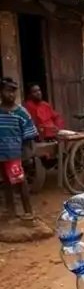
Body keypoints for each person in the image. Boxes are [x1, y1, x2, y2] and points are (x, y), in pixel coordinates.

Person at [0, 77, 37, 218]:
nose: (11, 95)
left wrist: (26, 156)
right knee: (6, 184)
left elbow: (28, 137)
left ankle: (28, 212)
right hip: (1, 154)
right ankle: (11, 211)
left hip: (14, 155)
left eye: (13, 92)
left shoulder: (21, 113)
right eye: (7, 91)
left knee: (20, 183)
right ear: (1, 92)